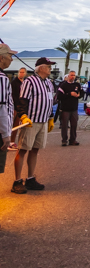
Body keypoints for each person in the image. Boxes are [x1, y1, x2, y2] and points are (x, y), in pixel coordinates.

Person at [12, 57, 55, 194]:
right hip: (31, 121)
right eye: (48, 66)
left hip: (43, 121)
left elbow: (49, 101)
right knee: (23, 149)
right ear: (41, 68)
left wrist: (51, 117)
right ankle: (17, 181)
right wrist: (22, 115)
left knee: (35, 149)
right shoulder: (29, 81)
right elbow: (22, 100)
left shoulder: (49, 83)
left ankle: (30, 178)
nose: (50, 69)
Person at [0, 43, 17, 178]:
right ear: (1, 58)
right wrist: (6, 135)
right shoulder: (2, 78)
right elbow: (1, 107)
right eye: (10, 56)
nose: (11, 59)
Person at [56, 70, 82, 146]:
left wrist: (79, 95)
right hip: (65, 109)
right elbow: (59, 96)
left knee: (74, 125)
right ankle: (64, 140)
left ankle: (73, 140)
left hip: (74, 108)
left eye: (74, 75)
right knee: (64, 125)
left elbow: (82, 93)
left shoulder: (77, 85)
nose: (72, 77)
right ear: (68, 76)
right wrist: (69, 94)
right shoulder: (63, 85)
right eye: (71, 75)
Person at [9, 66, 26, 150]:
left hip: (20, 107)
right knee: (11, 124)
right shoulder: (14, 82)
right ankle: (8, 141)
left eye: (23, 72)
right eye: (20, 72)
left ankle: (12, 142)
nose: (21, 73)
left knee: (17, 125)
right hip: (14, 106)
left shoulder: (25, 83)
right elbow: (12, 95)